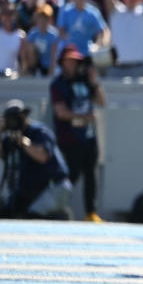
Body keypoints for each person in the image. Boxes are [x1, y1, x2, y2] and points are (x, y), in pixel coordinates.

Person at [50, 44, 106, 222]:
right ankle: (55, 206)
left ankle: (90, 212)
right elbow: (61, 112)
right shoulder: (58, 84)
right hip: (69, 138)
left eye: (76, 61)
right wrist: (84, 117)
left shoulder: (85, 81)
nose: (73, 65)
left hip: (88, 137)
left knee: (91, 174)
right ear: (63, 62)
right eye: (70, 61)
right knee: (71, 175)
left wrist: (95, 81)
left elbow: (101, 101)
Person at [0, 99, 69, 218]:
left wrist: (23, 142)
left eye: (16, 118)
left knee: (32, 216)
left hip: (53, 187)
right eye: (10, 119)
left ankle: (59, 216)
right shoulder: (9, 137)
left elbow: (43, 156)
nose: (14, 122)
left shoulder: (39, 131)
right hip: (28, 190)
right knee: (5, 214)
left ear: (24, 116)